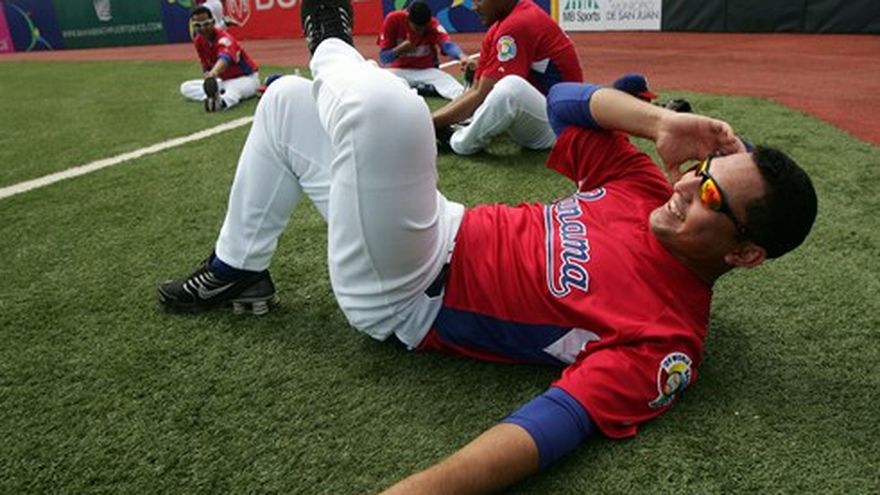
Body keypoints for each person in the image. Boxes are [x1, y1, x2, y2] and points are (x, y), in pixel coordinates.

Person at [158, 0, 818, 492]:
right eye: (700, 171)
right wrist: (661, 121)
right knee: (287, 103)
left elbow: (552, 424)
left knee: (390, 112)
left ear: (744, 254)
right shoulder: (646, 187)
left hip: (408, 293)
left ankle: (327, 37)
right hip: (434, 224)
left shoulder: (668, 338)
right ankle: (237, 269)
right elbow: (560, 103)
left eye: (710, 195)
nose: (686, 187)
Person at [433, 0, 583, 155]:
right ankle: (458, 125)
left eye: (480, 0)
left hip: (560, 126)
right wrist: (432, 120)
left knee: (510, 87)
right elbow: (476, 89)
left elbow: (482, 93)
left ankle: (458, 142)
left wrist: (431, 124)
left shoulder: (517, 23)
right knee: (490, 81)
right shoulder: (500, 26)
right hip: (544, 111)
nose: (474, 7)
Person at [377, 1, 470, 100]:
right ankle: (422, 88)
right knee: (377, 80)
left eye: (424, 28)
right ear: (408, 19)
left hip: (426, 71)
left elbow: (447, 45)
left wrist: (462, 57)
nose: (420, 32)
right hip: (399, 70)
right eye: (417, 28)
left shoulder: (433, 24)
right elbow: (384, 58)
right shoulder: (393, 20)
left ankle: (414, 88)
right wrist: (399, 50)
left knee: (457, 89)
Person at [179, 6, 259, 112]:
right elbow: (205, 65)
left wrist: (213, 73)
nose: (202, 28)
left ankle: (221, 102)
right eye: (198, 25)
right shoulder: (199, 40)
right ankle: (214, 96)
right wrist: (208, 76)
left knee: (234, 91)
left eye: (206, 24)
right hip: (223, 81)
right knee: (185, 87)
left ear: (213, 22)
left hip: (245, 79)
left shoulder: (224, 39)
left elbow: (225, 59)